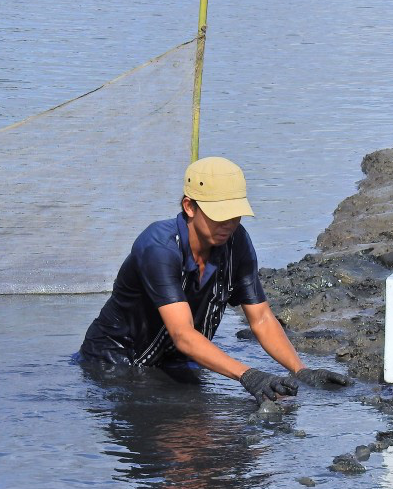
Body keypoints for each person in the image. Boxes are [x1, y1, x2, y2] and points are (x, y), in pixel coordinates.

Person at [78, 156, 350, 402]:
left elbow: (262, 318)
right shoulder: (158, 248)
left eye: (235, 215)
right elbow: (182, 333)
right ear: (189, 207)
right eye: (219, 215)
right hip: (116, 363)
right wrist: (250, 376)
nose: (228, 224)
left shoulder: (237, 242)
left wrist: (301, 370)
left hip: (179, 359)